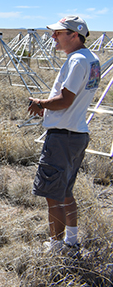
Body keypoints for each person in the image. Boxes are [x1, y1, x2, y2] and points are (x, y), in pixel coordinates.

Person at [27, 16, 100, 255]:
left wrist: (41, 103)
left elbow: (65, 100)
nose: (53, 37)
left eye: (59, 33)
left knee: (52, 194)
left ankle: (57, 247)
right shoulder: (91, 59)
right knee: (65, 191)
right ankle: (71, 241)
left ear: (75, 35)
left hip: (63, 136)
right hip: (76, 132)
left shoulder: (77, 60)